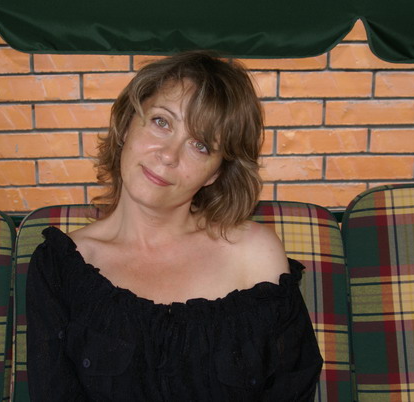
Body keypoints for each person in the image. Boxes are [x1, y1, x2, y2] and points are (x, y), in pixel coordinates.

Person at [26, 50, 323, 401]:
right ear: (127, 124)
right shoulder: (61, 267)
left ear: (215, 172)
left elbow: (293, 388)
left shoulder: (254, 256)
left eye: (200, 145)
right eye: (161, 122)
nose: (168, 155)